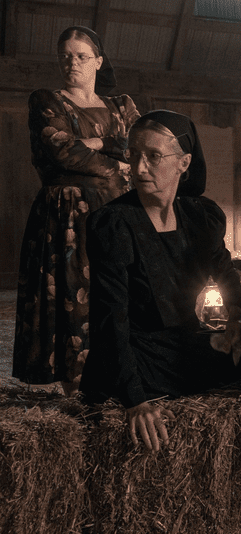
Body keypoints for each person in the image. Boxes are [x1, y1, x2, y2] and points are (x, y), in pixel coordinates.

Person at [79, 111, 241, 451]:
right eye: (133, 155)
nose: (138, 168)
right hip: (132, 352)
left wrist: (236, 319)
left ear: (183, 162)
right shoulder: (113, 224)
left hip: (182, 344)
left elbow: (224, 268)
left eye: (153, 156)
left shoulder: (201, 216)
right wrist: (134, 401)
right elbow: (110, 318)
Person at [13, 26, 140, 396]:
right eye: (65, 55)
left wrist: (92, 143)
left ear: (98, 62)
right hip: (65, 217)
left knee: (116, 293)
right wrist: (113, 157)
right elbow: (60, 152)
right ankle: (78, 391)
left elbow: (136, 146)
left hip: (117, 208)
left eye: (81, 56)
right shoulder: (46, 101)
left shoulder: (122, 106)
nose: (72, 62)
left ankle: (124, 379)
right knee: (72, 298)